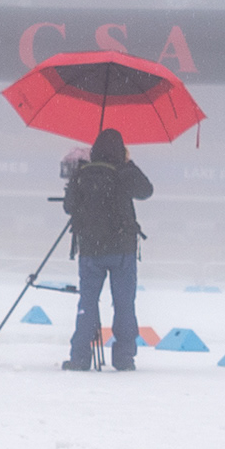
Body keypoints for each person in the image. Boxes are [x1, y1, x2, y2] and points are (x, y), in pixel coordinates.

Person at [60, 127, 154, 371]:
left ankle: (80, 356)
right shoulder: (123, 172)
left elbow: (69, 207)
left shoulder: (83, 173)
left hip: (91, 250)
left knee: (87, 302)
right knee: (124, 304)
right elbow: (146, 191)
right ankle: (124, 357)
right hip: (122, 250)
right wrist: (128, 163)